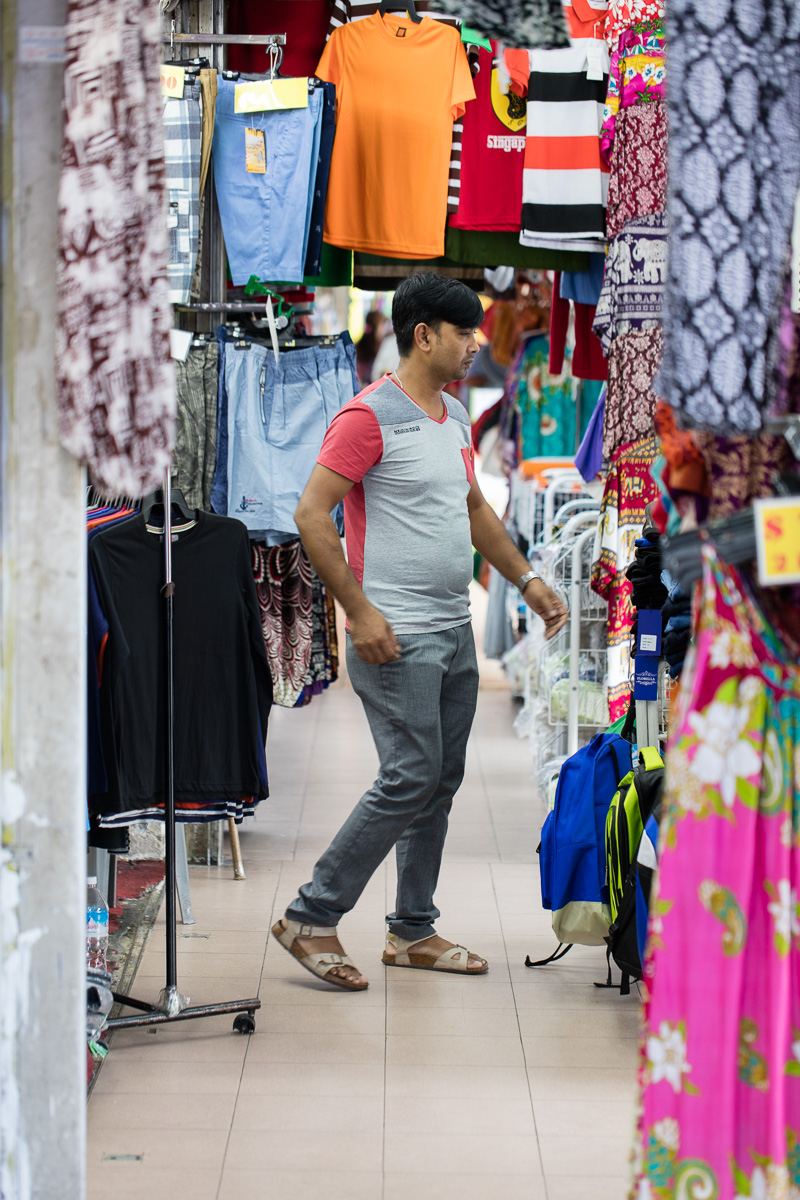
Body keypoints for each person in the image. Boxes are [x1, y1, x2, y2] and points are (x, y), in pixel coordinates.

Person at [272, 273, 568, 990]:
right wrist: (361, 613)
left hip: (451, 631)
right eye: (464, 331)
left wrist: (528, 580)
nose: (476, 343)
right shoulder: (367, 417)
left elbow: (472, 510)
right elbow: (313, 515)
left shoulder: (455, 416)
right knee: (409, 777)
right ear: (423, 334)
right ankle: (311, 914)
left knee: (439, 780)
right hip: (394, 635)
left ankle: (412, 930)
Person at [354, 309, 387, 386]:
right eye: (382, 325)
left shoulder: (359, 346)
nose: (384, 329)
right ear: (375, 326)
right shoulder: (380, 348)